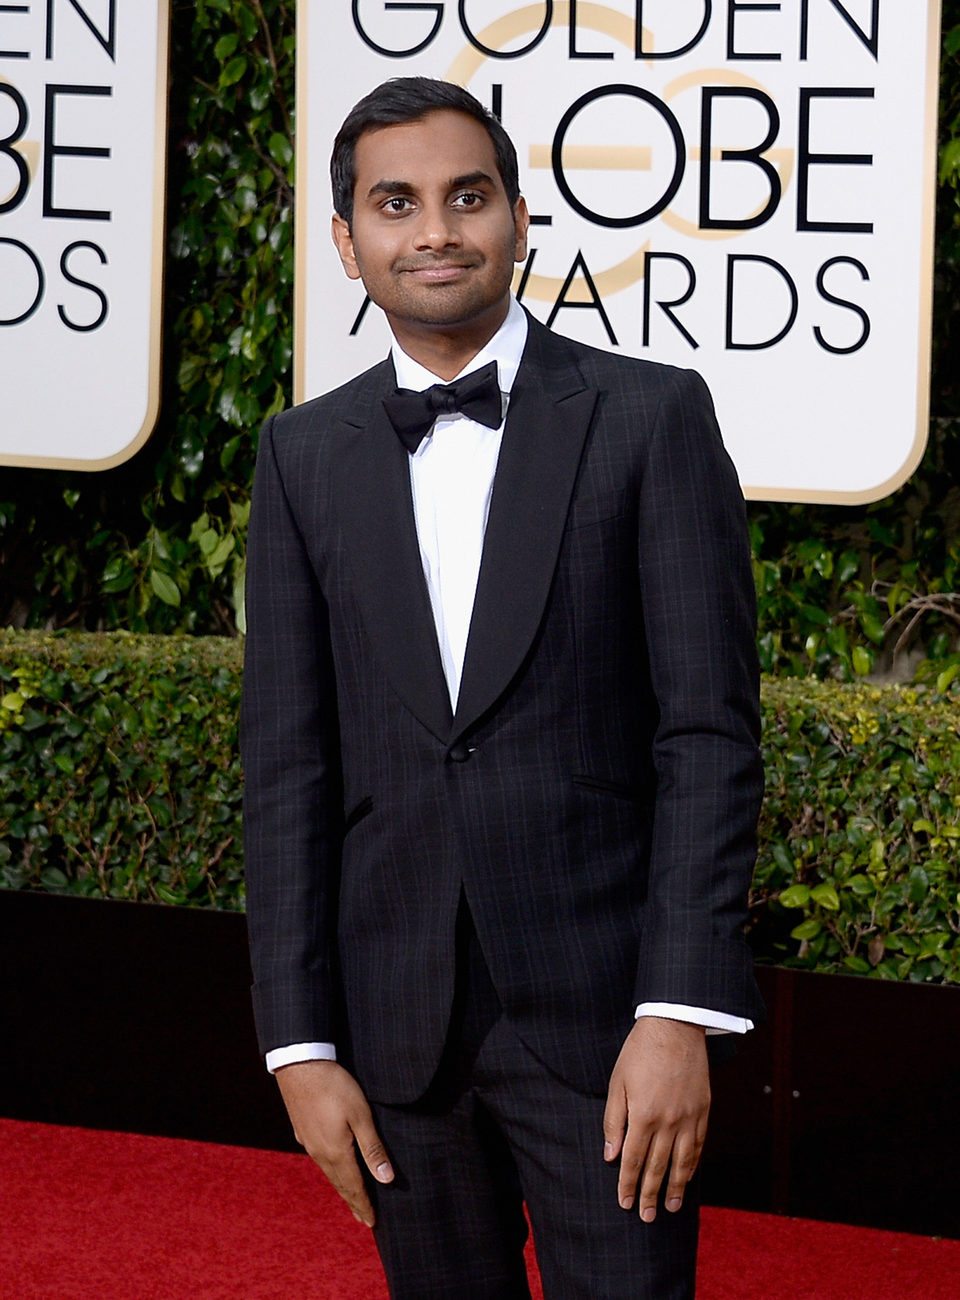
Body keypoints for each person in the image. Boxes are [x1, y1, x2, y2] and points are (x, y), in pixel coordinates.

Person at [241, 76, 763, 1299]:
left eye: (467, 196)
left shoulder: (649, 419)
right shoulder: (302, 455)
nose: (435, 231)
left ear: (521, 218)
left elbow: (708, 736)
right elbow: (288, 766)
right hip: (391, 1035)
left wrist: (679, 1009)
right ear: (346, 238)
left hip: (608, 1026)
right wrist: (298, 1044)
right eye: (396, 203)